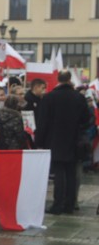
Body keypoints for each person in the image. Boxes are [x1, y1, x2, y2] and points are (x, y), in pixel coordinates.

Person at [36, 71, 91, 214]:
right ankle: (70, 204)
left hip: (55, 140)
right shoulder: (78, 97)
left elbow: (42, 122)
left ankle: (58, 204)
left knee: (59, 173)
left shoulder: (49, 97)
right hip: (74, 140)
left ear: (58, 79)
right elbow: (87, 119)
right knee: (71, 173)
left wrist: (39, 141)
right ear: (70, 79)